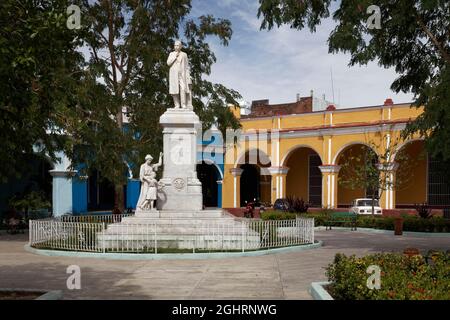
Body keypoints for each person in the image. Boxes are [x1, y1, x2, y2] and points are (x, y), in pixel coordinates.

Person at [167, 40, 193, 109]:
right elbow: (168, 63)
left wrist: (188, 76)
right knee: (174, 90)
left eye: (177, 45)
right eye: (175, 45)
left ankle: (183, 104)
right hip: (173, 74)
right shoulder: (171, 54)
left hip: (182, 74)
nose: (176, 47)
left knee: (183, 88)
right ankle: (177, 105)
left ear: (181, 46)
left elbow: (187, 66)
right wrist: (175, 56)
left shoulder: (184, 54)